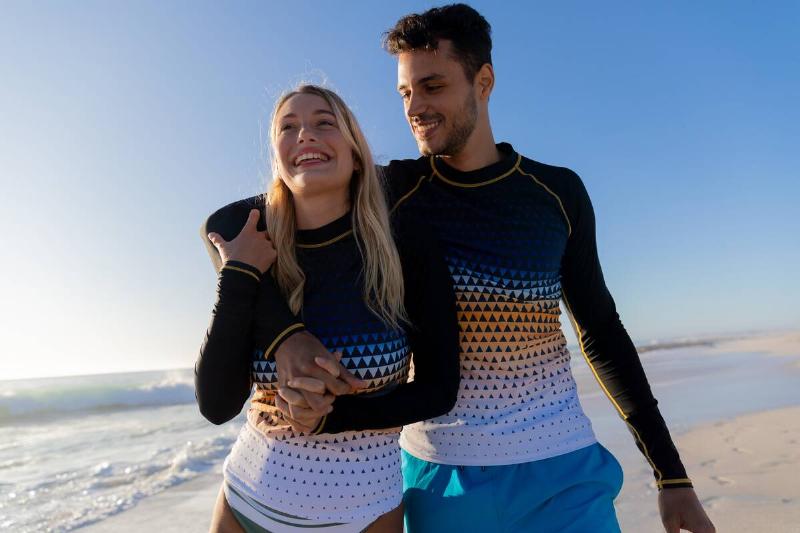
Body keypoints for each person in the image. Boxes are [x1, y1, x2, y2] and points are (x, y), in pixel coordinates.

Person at [211, 4, 717, 533]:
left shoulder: (555, 193)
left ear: (484, 81)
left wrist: (671, 475)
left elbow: (602, 334)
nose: (415, 107)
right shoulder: (388, 194)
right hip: (438, 476)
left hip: (561, 465)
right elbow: (227, 225)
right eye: (405, 93)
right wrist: (285, 334)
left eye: (432, 86)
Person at [195, 84, 460, 532]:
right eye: (288, 127)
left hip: (366, 513)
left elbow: (439, 389)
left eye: (324, 123)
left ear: (357, 154)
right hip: (248, 504)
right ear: (277, 157)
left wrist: (329, 419)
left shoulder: (403, 248)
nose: (305, 135)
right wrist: (242, 282)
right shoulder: (252, 251)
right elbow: (216, 404)